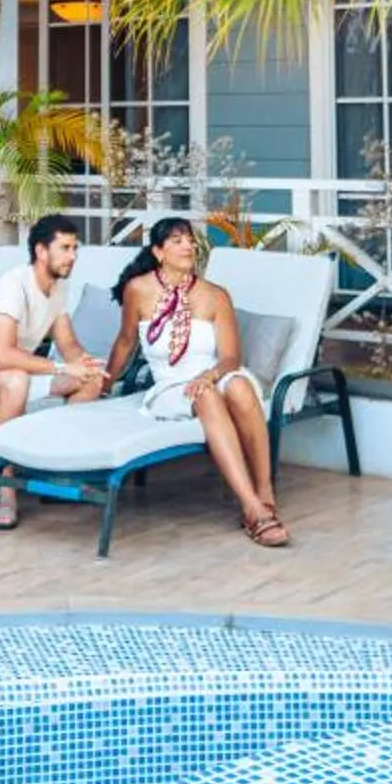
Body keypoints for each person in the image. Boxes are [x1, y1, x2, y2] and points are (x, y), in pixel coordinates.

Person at [106, 218, 290, 548]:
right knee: (207, 397)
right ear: (158, 252)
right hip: (170, 386)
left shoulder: (215, 296)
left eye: (190, 240)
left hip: (214, 372)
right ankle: (252, 508)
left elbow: (232, 357)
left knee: (240, 386)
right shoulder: (138, 290)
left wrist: (209, 376)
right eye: (177, 241)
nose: (188, 246)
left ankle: (264, 490)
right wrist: (104, 384)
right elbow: (124, 342)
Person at [0, 212, 109, 528]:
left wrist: (88, 365)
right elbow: (3, 354)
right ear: (42, 251)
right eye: (66, 248)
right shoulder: (12, 284)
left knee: (89, 380)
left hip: (14, 378)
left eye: (75, 249)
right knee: (15, 380)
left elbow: (68, 343)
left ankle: (57, 470)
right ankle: (5, 486)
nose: (73, 257)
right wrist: (58, 365)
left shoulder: (58, 288)